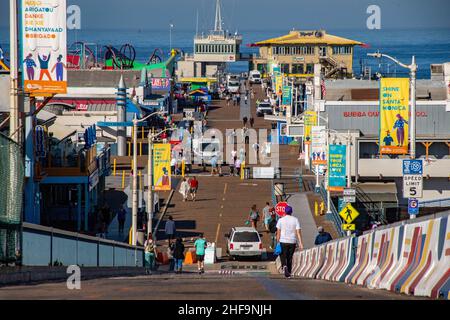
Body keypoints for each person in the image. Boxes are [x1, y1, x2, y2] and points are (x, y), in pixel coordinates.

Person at [276, 206, 304, 278]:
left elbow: (278, 232)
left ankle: (284, 266)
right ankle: (289, 272)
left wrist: (277, 241)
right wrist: (301, 243)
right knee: (290, 257)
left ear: (284, 212)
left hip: (283, 240)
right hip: (292, 241)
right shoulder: (295, 220)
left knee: (282, 255)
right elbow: (298, 232)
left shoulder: (281, 220)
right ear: (291, 212)